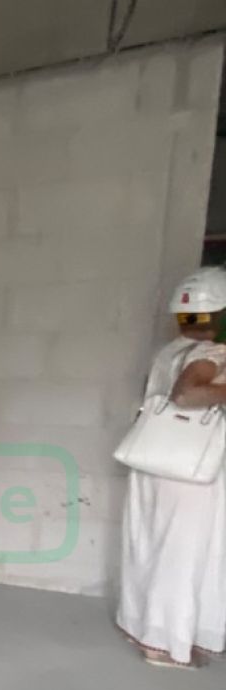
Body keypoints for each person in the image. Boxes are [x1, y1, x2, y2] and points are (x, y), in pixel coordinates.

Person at [118, 266, 226, 667]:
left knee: (148, 546)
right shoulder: (213, 353)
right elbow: (186, 394)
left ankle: (141, 626)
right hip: (188, 469)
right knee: (182, 555)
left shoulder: (168, 352)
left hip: (152, 457)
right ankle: (164, 644)